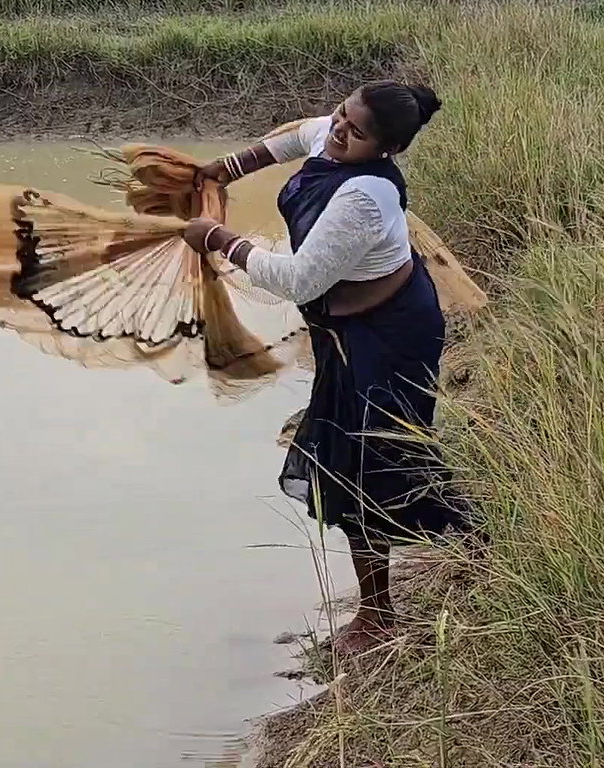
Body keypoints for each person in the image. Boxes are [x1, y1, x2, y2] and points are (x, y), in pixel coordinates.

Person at [181, 80, 473, 655]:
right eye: (342, 114)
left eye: (356, 130)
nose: (339, 129)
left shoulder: (366, 197)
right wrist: (226, 166)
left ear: (384, 150)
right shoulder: (333, 137)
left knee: (365, 463)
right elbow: (294, 138)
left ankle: (378, 616)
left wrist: (217, 237)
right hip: (345, 332)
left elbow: (299, 279)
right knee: (377, 454)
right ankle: (473, 540)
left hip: (389, 337)